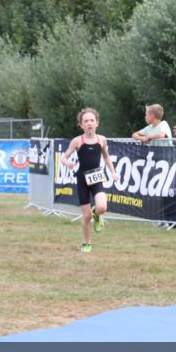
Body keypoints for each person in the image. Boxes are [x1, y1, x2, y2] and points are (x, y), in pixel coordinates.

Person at [60, 108, 118, 254]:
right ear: (81, 125)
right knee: (86, 217)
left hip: (97, 178)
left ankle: (97, 215)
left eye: (92, 120)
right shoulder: (77, 141)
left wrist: (113, 172)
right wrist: (68, 164)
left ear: (97, 123)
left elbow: (106, 157)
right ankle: (86, 242)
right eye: (86, 121)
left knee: (102, 207)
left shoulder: (102, 140)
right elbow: (64, 157)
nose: (89, 123)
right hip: (82, 180)